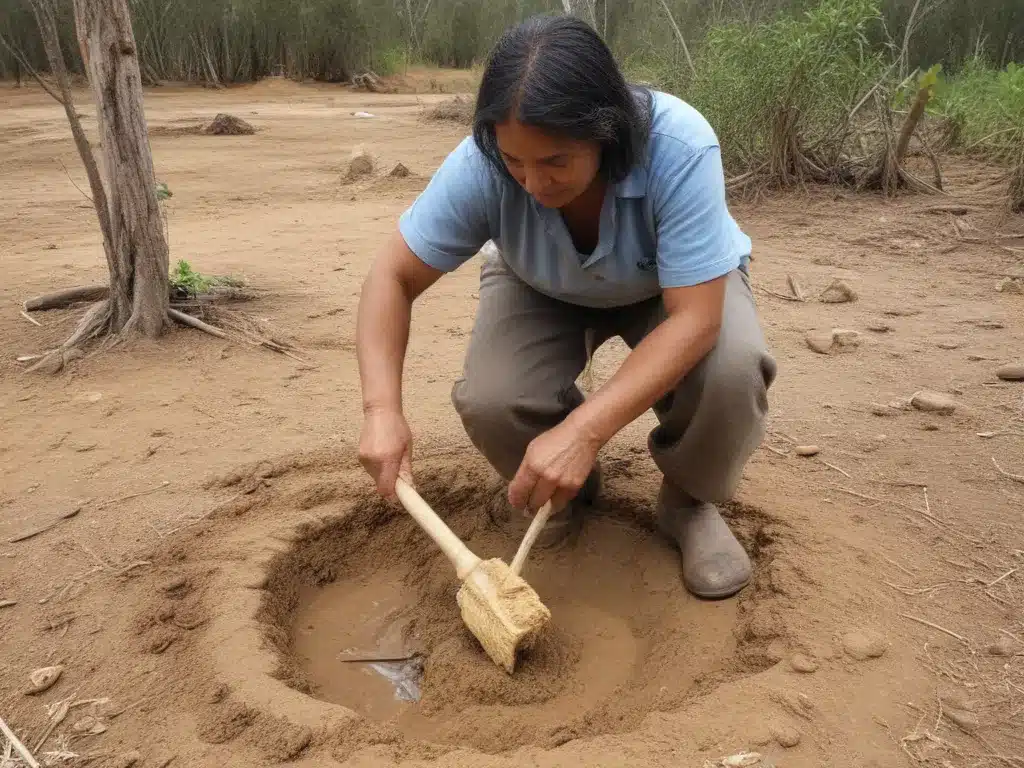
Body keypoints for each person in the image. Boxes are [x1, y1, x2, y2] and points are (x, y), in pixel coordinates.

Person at [356, 14, 777, 600]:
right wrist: (382, 409)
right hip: (538, 285)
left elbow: (697, 318)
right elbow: (391, 276)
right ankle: (563, 497)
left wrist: (585, 430)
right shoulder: (482, 162)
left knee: (731, 370)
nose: (532, 183)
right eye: (514, 161)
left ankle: (689, 502)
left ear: (607, 131)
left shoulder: (679, 146)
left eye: (555, 161)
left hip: (672, 289)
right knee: (491, 398)